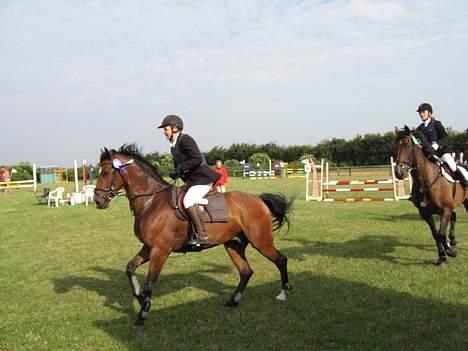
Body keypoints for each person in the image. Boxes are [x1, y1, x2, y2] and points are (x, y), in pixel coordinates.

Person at [158, 115, 220, 246]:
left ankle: (202, 235)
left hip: (203, 178)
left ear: (175, 128)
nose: (164, 132)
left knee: (188, 201)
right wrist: (175, 173)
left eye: (166, 129)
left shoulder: (185, 140)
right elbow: (180, 165)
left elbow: (196, 159)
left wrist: (179, 169)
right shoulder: (173, 146)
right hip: (193, 181)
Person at [415, 103, 468, 186]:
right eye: (420, 112)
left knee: (452, 166)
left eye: (423, 112)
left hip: (442, 152)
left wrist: (437, 145)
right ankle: (416, 193)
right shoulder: (419, 129)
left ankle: (465, 183)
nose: (421, 114)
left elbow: (446, 138)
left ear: (429, 113)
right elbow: (418, 142)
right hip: (429, 155)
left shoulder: (436, 124)